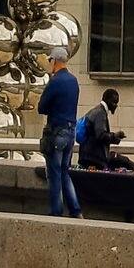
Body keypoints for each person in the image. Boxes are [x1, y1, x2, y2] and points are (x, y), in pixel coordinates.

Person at [38, 48, 82, 218]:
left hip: (56, 131)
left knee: (54, 172)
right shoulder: (74, 81)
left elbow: (42, 107)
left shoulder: (55, 81)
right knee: (65, 171)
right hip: (71, 131)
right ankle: (75, 209)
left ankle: (56, 210)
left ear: (54, 61)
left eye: (50, 61)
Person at [79, 87, 134, 172]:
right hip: (94, 159)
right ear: (107, 100)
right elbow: (100, 135)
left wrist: (115, 137)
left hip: (89, 157)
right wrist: (115, 136)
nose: (116, 105)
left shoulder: (97, 111)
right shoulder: (100, 113)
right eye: (114, 102)